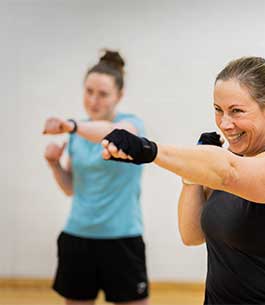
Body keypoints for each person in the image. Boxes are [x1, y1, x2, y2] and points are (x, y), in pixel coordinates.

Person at [101, 57, 265, 305]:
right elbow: (191, 234)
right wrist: (193, 175)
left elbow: (231, 173)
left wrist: (148, 150)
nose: (225, 124)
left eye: (236, 111)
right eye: (218, 110)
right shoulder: (226, 162)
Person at [43, 50, 149, 305]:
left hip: (122, 238)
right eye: (89, 91)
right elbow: (71, 189)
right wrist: (55, 165)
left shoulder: (132, 124)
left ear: (119, 96)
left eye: (102, 94)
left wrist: (73, 126)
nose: (93, 100)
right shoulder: (76, 131)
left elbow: (116, 135)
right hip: (77, 237)